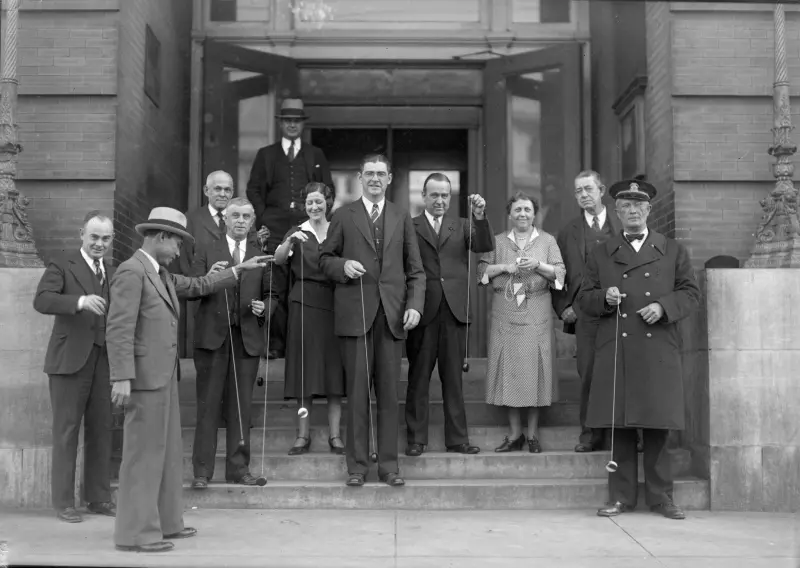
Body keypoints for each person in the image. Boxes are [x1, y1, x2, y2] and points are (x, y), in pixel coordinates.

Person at [107, 207, 270, 553]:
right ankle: (137, 534)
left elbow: (199, 284)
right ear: (161, 237)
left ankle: (168, 522)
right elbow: (118, 327)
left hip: (163, 377)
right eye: (178, 243)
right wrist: (120, 376)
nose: (181, 251)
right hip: (143, 380)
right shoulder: (131, 272)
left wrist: (237, 271)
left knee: (166, 455)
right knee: (143, 456)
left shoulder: (162, 274)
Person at [576, 179, 701, 520]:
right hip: (618, 346)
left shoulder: (672, 249)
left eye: (638, 205)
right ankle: (621, 497)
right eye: (626, 206)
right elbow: (583, 298)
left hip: (658, 346)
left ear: (649, 211)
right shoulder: (602, 252)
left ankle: (662, 498)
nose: (632, 211)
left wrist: (662, 307)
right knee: (622, 426)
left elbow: (690, 292)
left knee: (658, 426)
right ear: (616, 212)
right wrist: (604, 297)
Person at [319, 153, 425, 488]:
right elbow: (324, 258)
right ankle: (357, 468)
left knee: (390, 396)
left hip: (392, 318)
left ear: (390, 178)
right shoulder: (343, 215)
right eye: (369, 173)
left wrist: (415, 306)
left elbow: (416, 271)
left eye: (381, 173)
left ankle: (389, 466)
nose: (375, 179)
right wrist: (342, 267)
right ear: (359, 177)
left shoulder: (400, 215)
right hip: (356, 315)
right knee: (357, 394)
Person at [32, 211, 117, 523]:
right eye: (94, 237)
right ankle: (64, 502)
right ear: (82, 234)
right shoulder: (62, 263)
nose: (99, 243)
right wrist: (79, 302)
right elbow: (42, 300)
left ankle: (98, 498)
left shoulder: (113, 269)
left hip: (102, 360)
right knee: (67, 431)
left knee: (101, 429)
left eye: (105, 239)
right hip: (69, 361)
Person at [190, 197, 279, 489]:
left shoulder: (260, 255)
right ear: (224, 220)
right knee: (208, 407)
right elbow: (191, 288)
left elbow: (271, 294)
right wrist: (208, 277)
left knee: (241, 408)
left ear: (252, 222)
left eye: (246, 217)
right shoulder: (206, 250)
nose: (240, 220)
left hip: (246, 339)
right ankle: (202, 472)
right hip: (213, 338)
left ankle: (239, 469)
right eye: (235, 216)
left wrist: (265, 308)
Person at [404, 174, 494, 457]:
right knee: (418, 377)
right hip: (423, 310)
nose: (440, 200)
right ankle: (416, 439)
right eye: (434, 195)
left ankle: (457, 439)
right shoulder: (410, 225)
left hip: (454, 311)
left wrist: (479, 216)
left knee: (453, 379)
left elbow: (483, 245)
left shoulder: (463, 224)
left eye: (445, 195)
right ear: (423, 196)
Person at [246, 98, 334, 359]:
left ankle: (302, 347)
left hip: (307, 230)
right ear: (281, 124)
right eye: (288, 121)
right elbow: (254, 189)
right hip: (274, 231)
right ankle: (276, 345)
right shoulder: (266, 154)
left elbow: (328, 190)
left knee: (304, 285)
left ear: (302, 125)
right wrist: (265, 218)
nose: (292, 125)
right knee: (274, 287)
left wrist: (318, 221)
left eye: (297, 121)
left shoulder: (315, 154)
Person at [477, 192, 565, 453]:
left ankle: (533, 435)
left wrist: (537, 264)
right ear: (510, 214)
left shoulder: (547, 241)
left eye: (527, 209)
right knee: (510, 371)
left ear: (534, 213)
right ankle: (514, 434)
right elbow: (482, 273)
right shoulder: (497, 241)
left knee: (536, 371)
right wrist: (505, 267)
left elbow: (560, 273)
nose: (523, 214)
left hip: (537, 310)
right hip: (506, 311)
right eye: (517, 210)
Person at [552, 171, 622, 453]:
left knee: (622, 371)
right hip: (585, 312)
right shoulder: (568, 231)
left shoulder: (622, 224)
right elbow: (558, 271)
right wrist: (564, 306)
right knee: (590, 373)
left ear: (601, 190)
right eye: (578, 191)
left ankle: (628, 435)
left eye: (588, 189)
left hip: (620, 308)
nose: (583, 195)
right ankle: (590, 435)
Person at [274, 182, 346, 456]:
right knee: (304, 371)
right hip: (303, 303)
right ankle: (302, 436)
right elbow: (280, 260)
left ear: (328, 203)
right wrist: (289, 241)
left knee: (333, 372)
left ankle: (335, 436)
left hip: (332, 304)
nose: (314, 207)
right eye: (309, 203)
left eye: (319, 202)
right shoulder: (297, 232)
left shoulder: (338, 230)